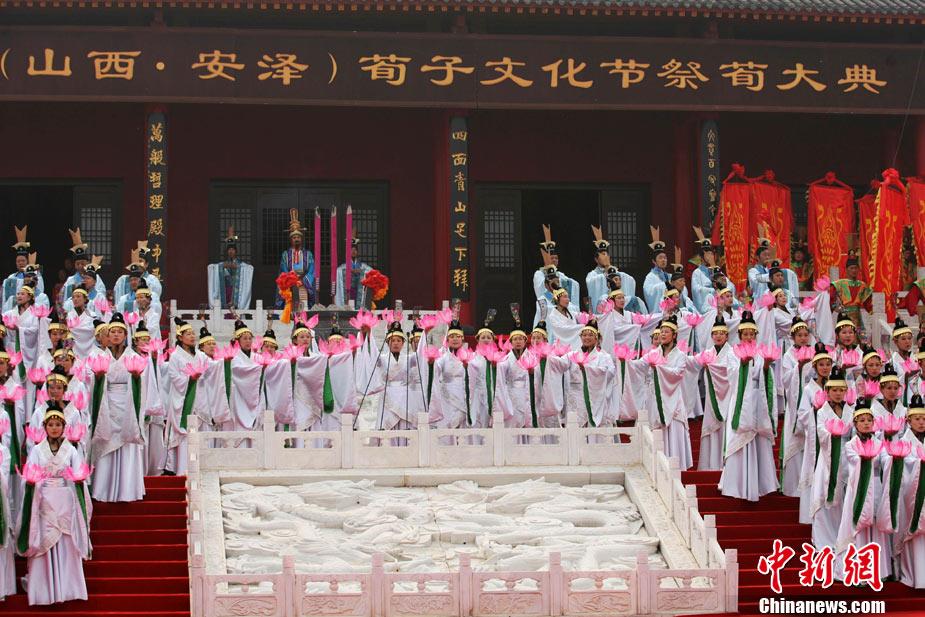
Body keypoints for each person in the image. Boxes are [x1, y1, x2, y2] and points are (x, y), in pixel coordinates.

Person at [15, 402, 92, 605]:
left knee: (66, 542)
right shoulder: (37, 450)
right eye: (50, 425)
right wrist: (32, 484)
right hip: (43, 500)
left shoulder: (71, 451)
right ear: (45, 427)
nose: (54, 428)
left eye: (58, 424)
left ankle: (68, 589)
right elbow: (29, 475)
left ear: (64, 427)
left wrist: (78, 481)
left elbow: (79, 474)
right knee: (44, 543)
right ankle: (43, 592)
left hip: (65, 501)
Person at [90, 313, 159, 502]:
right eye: (112, 332)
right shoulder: (99, 356)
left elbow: (143, 382)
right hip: (107, 405)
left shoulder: (134, 357)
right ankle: (103, 490)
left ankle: (127, 490)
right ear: (107, 335)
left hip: (128, 404)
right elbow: (90, 378)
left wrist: (136, 378)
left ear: (125, 335)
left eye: (119, 332)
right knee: (106, 442)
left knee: (127, 443)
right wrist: (98, 378)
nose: (115, 335)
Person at [718, 312, 779, 501]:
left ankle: (761, 483)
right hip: (740, 400)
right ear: (739, 335)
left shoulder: (760, 353)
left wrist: (766, 366)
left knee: (758, 438)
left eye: (752, 334)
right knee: (739, 437)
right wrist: (743, 365)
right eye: (745, 334)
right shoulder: (732, 353)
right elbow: (731, 375)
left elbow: (764, 376)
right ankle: (736, 484)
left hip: (758, 400)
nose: (748, 337)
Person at [836, 400, 891, 580]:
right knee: (858, 528)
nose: (866, 423)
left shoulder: (879, 444)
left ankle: (879, 571)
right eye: (862, 420)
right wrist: (866, 457)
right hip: (858, 489)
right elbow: (854, 461)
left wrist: (894, 459)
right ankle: (859, 570)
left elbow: (885, 460)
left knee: (876, 526)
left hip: (876, 488)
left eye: (869, 420)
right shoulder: (850, 445)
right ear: (855, 424)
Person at [810, 367, 853, 551]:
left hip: (847, 456)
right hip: (828, 457)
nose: (838, 393)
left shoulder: (851, 410)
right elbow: (821, 431)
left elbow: (854, 434)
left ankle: (844, 539)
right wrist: (833, 435)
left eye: (841, 390)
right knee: (825, 494)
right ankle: (825, 539)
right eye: (834, 390)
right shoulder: (822, 411)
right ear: (827, 391)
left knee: (846, 497)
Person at [897, 396, 925, 588]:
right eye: (917, 419)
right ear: (908, 421)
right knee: (914, 534)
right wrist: (919, 464)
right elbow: (904, 465)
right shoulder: (904, 442)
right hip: (912, 494)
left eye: (924, 419)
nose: (921, 422)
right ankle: (914, 575)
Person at [585, 226, 639, 313]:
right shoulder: (593, 274)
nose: (606, 257)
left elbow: (630, 279)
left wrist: (614, 275)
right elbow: (591, 283)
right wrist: (605, 274)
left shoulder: (616, 272)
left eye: (607, 255)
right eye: (603, 254)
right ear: (596, 259)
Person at [533, 228, 578, 325]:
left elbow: (572, 283)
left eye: (556, 258)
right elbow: (540, 286)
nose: (554, 260)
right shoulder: (539, 273)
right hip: (547, 301)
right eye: (551, 258)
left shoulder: (560, 274)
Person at [276, 209, 316, 309]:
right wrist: (291, 280)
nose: (297, 239)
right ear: (291, 240)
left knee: (303, 305)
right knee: (290, 305)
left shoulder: (308, 254)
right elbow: (283, 270)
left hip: (304, 283)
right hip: (290, 283)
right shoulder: (285, 254)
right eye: (294, 238)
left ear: (301, 239)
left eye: (298, 237)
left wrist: (303, 280)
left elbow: (312, 270)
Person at [208, 226, 253, 310]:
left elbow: (250, 268)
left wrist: (238, 267)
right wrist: (222, 267)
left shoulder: (241, 265)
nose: (231, 251)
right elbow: (211, 267)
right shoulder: (223, 264)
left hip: (237, 291)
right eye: (229, 250)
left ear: (236, 251)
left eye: (233, 249)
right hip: (226, 290)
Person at [2, 226, 45, 311]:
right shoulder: (11, 278)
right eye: (18, 261)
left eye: (23, 260)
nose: (20, 263)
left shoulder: (36, 276)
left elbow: (40, 293)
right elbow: (4, 300)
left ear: (27, 261)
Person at [829, 251, 872, 329]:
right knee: (844, 332)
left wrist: (873, 312)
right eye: (851, 268)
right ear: (846, 270)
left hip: (857, 315)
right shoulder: (840, 284)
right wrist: (835, 307)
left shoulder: (862, 285)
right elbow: (831, 297)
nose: (854, 270)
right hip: (844, 314)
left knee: (858, 334)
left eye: (855, 268)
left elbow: (869, 303)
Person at [61, 229, 106, 303]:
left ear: (88, 263)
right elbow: (62, 297)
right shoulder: (70, 280)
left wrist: (90, 288)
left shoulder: (96, 278)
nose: (80, 266)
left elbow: (102, 293)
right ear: (74, 265)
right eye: (77, 264)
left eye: (83, 264)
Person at [335, 236, 373, 308]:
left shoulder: (362, 266)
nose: (353, 252)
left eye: (355, 250)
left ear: (358, 252)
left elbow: (372, 271)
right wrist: (348, 271)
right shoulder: (344, 266)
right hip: (348, 291)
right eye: (351, 250)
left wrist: (361, 271)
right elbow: (338, 271)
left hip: (359, 290)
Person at [643, 228, 672, 316]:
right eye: (660, 258)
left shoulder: (669, 276)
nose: (663, 260)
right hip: (657, 312)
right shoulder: (650, 276)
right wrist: (664, 285)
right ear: (654, 261)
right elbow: (648, 292)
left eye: (665, 258)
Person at [747, 235, 774, 300]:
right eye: (764, 255)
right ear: (757, 257)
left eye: (768, 255)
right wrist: (773, 276)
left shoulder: (770, 270)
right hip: (758, 300)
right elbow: (756, 281)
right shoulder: (753, 271)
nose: (767, 257)